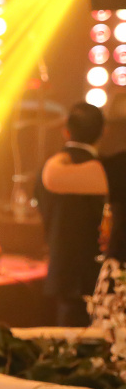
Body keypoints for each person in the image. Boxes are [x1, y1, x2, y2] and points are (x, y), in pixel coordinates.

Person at [43, 93, 126, 323]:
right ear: (104, 131)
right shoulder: (105, 165)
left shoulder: (114, 167)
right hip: (90, 273)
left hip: (75, 272)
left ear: (66, 130)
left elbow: (52, 178)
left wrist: (62, 154)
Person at [34, 102, 106, 326]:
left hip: (62, 270)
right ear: (103, 131)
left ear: (66, 130)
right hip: (99, 274)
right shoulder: (105, 170)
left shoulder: (47, 170)